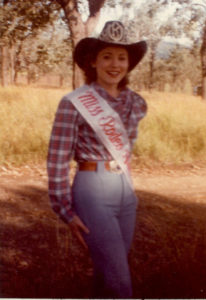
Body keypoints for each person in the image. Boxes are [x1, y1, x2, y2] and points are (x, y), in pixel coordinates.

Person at [47, 20, 147, 298]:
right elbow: (57, 159)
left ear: (129, 63)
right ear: (93, 61)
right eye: (107, 56)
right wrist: (65, 210)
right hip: (92, 190)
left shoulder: (135, 102)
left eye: (121, 57)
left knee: (107, 274)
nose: (114, 64)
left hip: (126, 191)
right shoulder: (74, 102)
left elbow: (128, 149)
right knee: (120, 282)